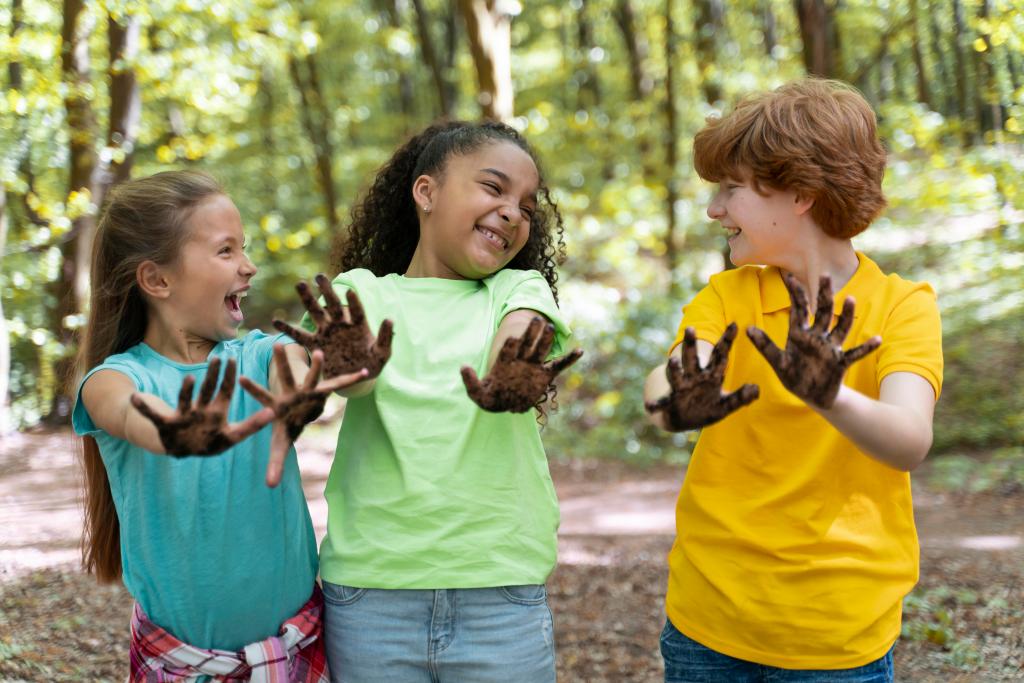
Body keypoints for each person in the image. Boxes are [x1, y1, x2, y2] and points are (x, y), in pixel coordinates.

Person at [643, 79, 943, 682]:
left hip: (838, 638)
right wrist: (677, 403)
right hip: (709, 627)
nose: (714, 209)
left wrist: (828, 395)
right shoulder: (729, 295)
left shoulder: (902, 307)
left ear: (800, 193)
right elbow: (670, 378)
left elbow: (909, 440)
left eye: (732, 189)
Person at [273, 120, 582, 683]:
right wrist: (339, 369)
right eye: (493, 188)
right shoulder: (362, 292)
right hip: (372, 597)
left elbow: (517, 336)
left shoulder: (517, 290)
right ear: (427, 192)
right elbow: (350, 376)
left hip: (499, 595)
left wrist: (509, 372)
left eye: (526, 206)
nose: (513, 212)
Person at [72, 170, 366, 681]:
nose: (248, 267)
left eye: (244, 249)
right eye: (226, 251)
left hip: (298, 651)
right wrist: (172, 430)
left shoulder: (256, 353)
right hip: (179, 664)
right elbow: (124, 408)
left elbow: (292, 363)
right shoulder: (117, 377)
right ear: (157, 280)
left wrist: (302, 393)